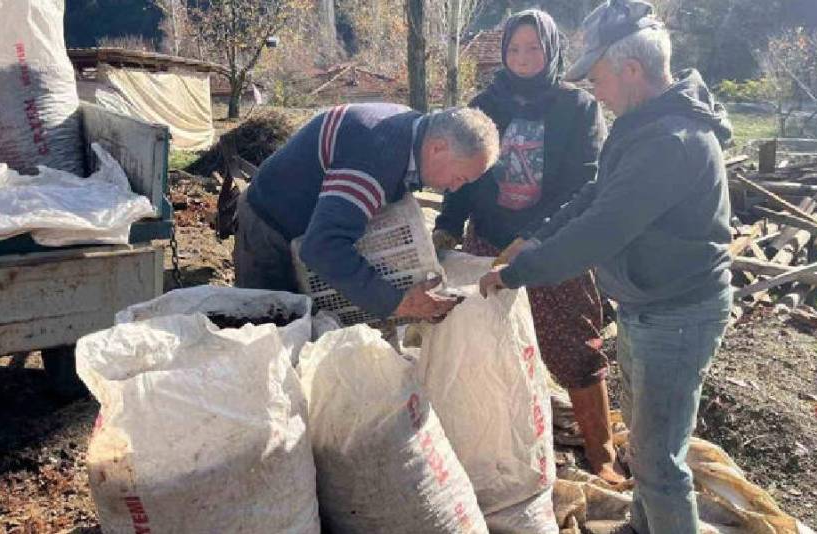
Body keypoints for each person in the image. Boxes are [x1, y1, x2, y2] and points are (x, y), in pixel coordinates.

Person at [478, 1, 734, 532]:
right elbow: (596, 193)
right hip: (648, 305)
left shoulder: (670, 142)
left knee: (661, 463)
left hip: (677, 315)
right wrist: (534, 235)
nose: (595, 89)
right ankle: (644, 525)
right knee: (645, 449)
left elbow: (601, 230)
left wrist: (517, 272)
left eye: (597, 77)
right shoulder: (642, 122)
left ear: (632, 70)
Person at [431, 9, 622, 484]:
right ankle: (499, 442)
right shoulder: (484, 104)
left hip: (554, 246)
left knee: (576, 345)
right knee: (490, 345)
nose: (522, 58)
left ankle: (602, 456)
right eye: (514, 49)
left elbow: (583, 184)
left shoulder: (577, 108)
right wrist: (447, 226)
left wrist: (534, 237)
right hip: (487, 243)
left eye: (533, 49)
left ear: (551, 51)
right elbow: (463, 175)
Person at [235, 103, 499, 321]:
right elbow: (323, 246)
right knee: (272, 328)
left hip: (308, 222)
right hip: (270, 226)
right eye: (460, 178)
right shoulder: (376, 155)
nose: (454, 188)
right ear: (438, 148)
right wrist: (398, 303)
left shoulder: (413, 133)